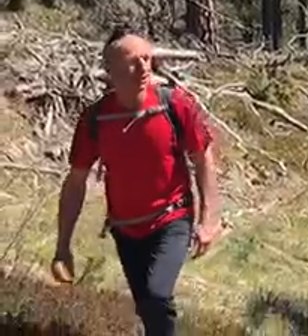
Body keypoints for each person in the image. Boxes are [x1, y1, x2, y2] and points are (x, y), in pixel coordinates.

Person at [52, 27, 222, 336]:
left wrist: (209, 220)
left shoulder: (175, 105)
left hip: (173, 218)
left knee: (157, 297)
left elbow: (203, 159)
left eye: (147, 58)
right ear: (110, 70)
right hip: (126, 229)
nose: (144, 67)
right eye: (133, 61)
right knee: (147, 308)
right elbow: (76, 182)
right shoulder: (96, 119)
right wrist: (63, 245)